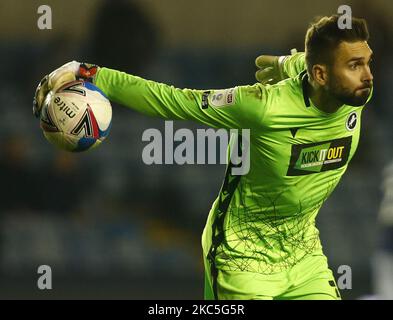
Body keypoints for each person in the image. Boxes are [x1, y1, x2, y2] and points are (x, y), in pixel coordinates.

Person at [32, 14, 373, 300]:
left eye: (367, 63)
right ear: (321, 76)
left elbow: (305, 61)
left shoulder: (355, 94)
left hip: (303, 256)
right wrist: (90, 73)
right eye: (355, 65)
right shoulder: (263, 106)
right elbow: (170, 99)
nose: (368, 76)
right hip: (241, 258)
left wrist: (286, 62)